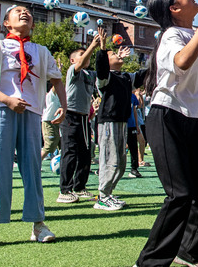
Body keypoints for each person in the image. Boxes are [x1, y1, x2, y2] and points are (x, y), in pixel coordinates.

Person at [132, 0, 198, 267]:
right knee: (180, 193)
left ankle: (189, 251)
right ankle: (148, 263)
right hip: (165, 116)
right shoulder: (171, 35)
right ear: (174, 8)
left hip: (192, 120)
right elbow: (181, 63)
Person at [0, 5, 66, 248]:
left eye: (27, 12)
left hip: (32, 112)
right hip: (3, 111)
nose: (24, 13)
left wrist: (63, 106)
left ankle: (38, 223)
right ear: (6, 24)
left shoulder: (41, 51)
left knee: (32, 167)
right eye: (17, 12)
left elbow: (57, 78)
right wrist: (6, 99)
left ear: (34, 24)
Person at [94, 33, 144, 212]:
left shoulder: (125, 77)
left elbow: (141, 75)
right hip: (108, 122)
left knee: (121, 164)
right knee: (109, 160)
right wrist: (102, 48)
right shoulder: (105, 79)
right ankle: (102, 197)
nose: (118, 55)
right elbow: (100, 68)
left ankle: (108, 193)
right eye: (113, 55)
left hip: (122, 122)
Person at [58, 35, 100, 203]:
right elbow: (81, 62)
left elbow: (104, 73)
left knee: (85, 153)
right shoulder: (73, 71)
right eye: (81, 54)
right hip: (71, 115)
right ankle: (64, 191)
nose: (86, 56)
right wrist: (92, 46)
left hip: (84, 118)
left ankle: (80, 187)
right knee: (70, 152)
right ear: (73, 60)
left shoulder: (90, 74)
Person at [40, 86, 61, 160]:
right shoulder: (51, 95)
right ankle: (36, 165)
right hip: (48, 121)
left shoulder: (60, 96)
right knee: (49, 146)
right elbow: (56, 85)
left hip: (57, 122)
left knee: (61, 144)